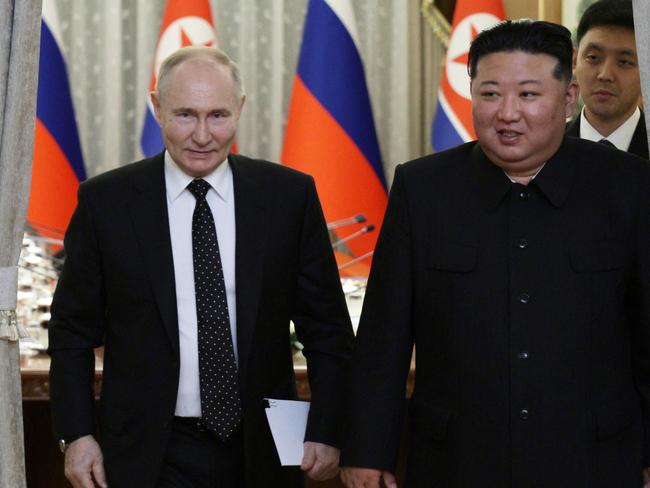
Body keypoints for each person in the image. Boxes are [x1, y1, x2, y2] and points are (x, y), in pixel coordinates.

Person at [341, 20, 650, 488]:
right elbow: (385, 334)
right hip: (457, 459)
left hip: (594, 459)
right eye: (489, 94)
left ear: (568, 99)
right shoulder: (423, 189)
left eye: (528, 95)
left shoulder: (629, 187)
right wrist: (366, 449)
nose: (507, 113)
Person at [48, 46, 354, 488]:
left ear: (241, 109)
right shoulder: (106, 203)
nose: (203, 135)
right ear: (157, 108)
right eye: (186, 115)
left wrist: (328, 429)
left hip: (264, 447)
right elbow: (72, 331)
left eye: (218, 115)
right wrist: (76, 435)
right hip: (147, 450)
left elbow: (327, 329)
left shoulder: (288, 197)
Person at [567, 0, 648, 158]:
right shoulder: (542, 149)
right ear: (574, 61)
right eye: (593, 57)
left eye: (624, 62)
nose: (605, 75)